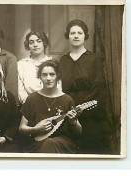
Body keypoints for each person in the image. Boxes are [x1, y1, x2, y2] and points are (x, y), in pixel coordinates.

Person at [59, 19, 112, 154]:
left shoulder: (94, 59)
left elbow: (98, 88)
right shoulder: (63, 60)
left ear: (85, 36)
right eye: (72, 33)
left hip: (90, 113)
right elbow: (60, 88)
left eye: (80, 33)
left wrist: (80, 108)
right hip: (67, 112)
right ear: (67, 35)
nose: (76, 36)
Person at [19, 60, 82, 153]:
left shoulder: (67, 99)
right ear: (40, 77)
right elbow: (21, 128)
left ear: (58, 76)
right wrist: (36, 129)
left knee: (50, 143)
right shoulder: (32, 98)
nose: (48, 78)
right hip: (37, 142)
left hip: (61, 144)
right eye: (44, 75)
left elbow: (79, 131)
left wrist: (73, 122)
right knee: (48, 143)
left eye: (52, 74)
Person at [18, 31, 53, 104]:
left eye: (39, 41)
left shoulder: (52, 63)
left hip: (51, 104)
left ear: (44, 43)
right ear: (28, 45)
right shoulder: (21, 65)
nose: (35, 45)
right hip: (29, 106)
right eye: (31, 42)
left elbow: (58, 87)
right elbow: (21, 91)